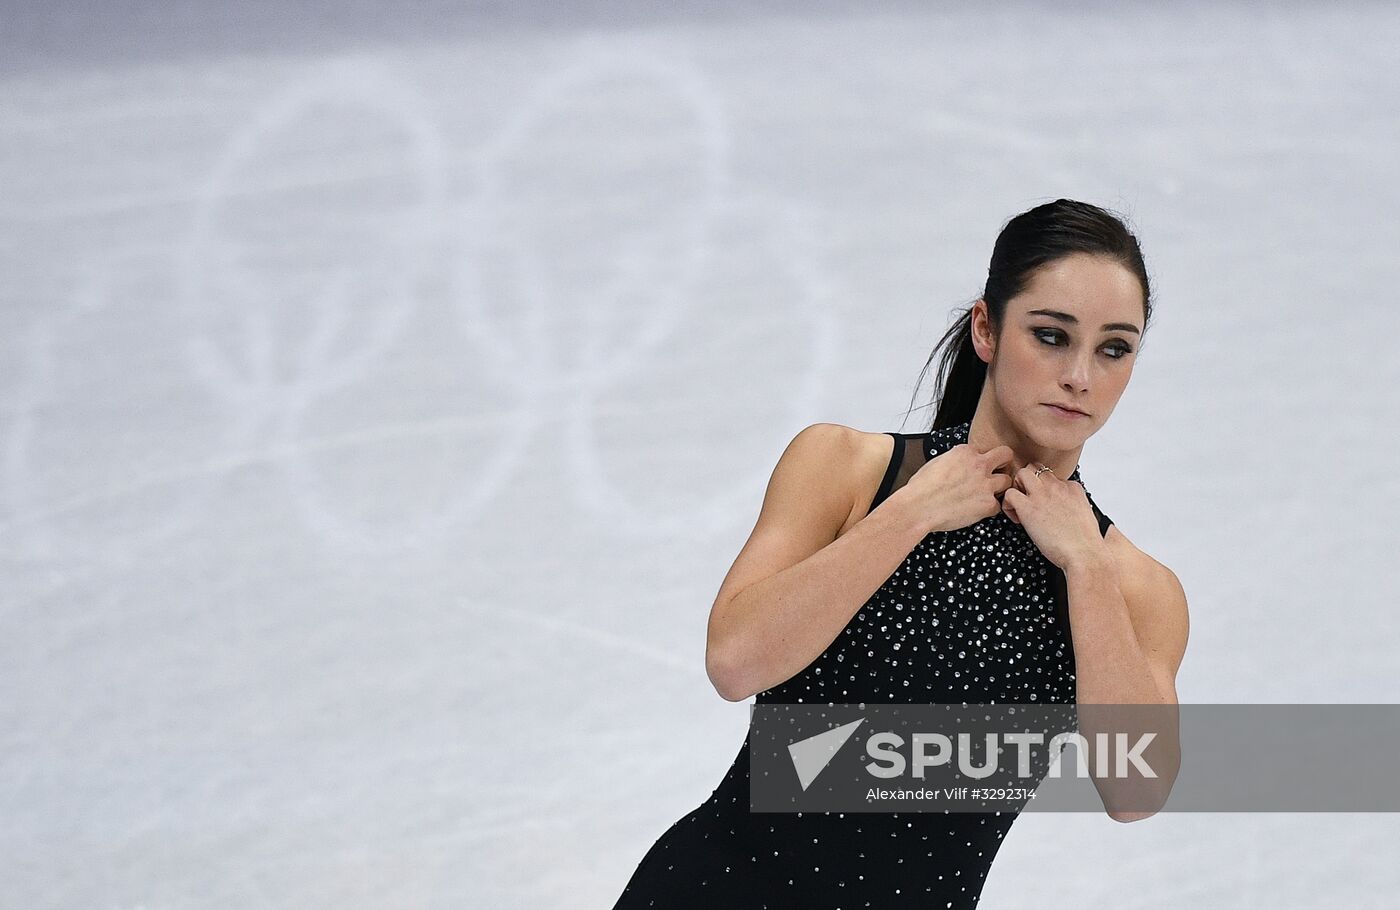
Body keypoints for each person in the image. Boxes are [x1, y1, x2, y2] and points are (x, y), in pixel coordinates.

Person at [611, 198, 1190, 909]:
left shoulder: (1133, 588)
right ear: (987, 328)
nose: (1080, 376)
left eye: (1113, 348)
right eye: (1050, 335)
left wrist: (1087, 568)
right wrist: (913, 510)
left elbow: (1135, 791)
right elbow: (735, 662)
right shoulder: (847, 470)